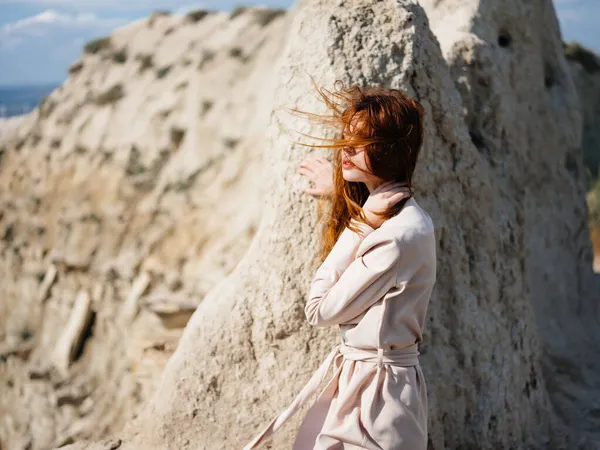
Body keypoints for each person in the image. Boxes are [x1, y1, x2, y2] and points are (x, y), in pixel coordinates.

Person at [243, 81, 437, 450]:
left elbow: (319, 309)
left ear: (389, 151)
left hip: (375, 396)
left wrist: (358, 224)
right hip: (371, 382)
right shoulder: (405, 219)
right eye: (347, 137)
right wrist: (339, 191)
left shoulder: (394, 236)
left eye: (362, 143)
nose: (346, 149)